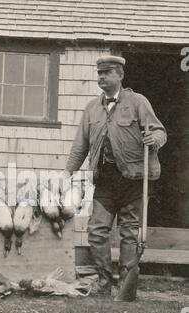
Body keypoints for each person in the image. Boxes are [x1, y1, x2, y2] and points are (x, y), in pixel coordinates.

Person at [62, 56, 167, 296]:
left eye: (106, 73)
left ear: (119, 75)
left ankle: (126, 284)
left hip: (134, 178)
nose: (101, 77)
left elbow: (159, 131)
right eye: (99, 73)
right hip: (105, 180)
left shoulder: (138, 102)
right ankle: (103, 281)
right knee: (97, 230)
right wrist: (68, 172)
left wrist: (155, 140)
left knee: (129, 231)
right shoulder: (91, 108)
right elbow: (81, 146)